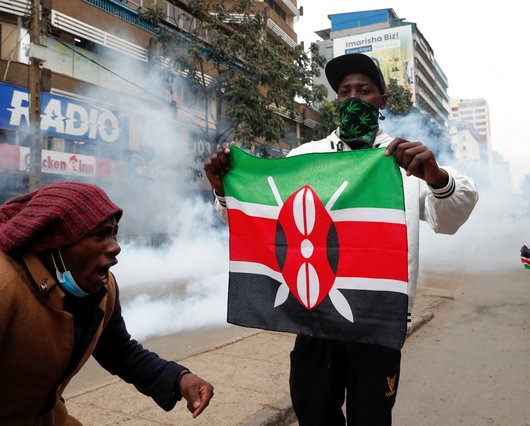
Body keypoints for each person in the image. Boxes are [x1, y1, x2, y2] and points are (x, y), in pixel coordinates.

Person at [204, 53, 478, 425]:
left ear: (382, 102)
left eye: (364, 90)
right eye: (344, 91)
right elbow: (264, 219)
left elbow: (448, 217)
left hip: (377, 320)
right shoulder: (305, 157)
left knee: (371, 418)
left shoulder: (403, 161)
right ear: (336, 102)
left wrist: (436, 176)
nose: (353, 98)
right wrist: (225, 190)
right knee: (314, 415)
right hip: (315, 317)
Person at [0, 182, 214, 425]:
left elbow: (118, 350)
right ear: (56, 244)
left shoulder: (102, 288)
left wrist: (179, 379)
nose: (115, 247)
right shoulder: (6, 286)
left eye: (113, 233)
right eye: (99, 235)